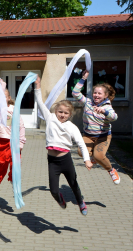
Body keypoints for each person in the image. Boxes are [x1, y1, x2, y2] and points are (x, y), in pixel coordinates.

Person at [35, 76, 92, 215]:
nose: (62, 115)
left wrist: (87, 160)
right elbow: (40, 102)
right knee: (53, 190)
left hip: (65, 160)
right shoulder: (50, 118)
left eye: (66, 113)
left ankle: (80, 202)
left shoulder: (72, 127)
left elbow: (81, 144)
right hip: (52, 162)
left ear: (70, 115)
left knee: (73, 184)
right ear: (56, 111)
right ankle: (60, 199)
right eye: (60, 112)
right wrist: (37, 86)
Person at [72, 70, 120, 184]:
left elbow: (114, 117)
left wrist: (104, 111)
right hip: (88, 135)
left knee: (99, 157)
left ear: (105, 95)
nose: (96, 95)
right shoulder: (87, 102)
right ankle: (93, 157)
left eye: (99, 93)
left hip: (103, 137)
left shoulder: (107, 106)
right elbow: (75, 93)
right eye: (95, 93)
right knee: (80, 152)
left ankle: (111, 170)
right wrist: (83, 79)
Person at [0, 79, 26, 198]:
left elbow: (21, 126)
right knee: (0, 163)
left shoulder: (14, 109)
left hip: (14, 142)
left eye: (5, 96)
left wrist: (21, 142)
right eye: (0, 97)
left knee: (15, 163)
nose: (2, 99)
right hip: (1, 141)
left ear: (9, 98)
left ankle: (14, 182)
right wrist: (1, 86)